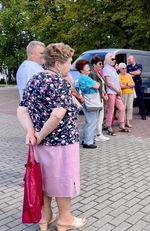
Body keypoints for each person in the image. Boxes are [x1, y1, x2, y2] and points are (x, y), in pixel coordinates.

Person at [17, 43, 87, 231]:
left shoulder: (33, 80)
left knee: (44, 179)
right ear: (57, 64)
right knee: (63, 179)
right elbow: (57, 115)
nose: (70, 66)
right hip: (63, 142)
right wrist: (37, 134)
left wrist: (31, 133)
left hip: (40, 144)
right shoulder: (61, 83)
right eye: (69, 62)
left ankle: (45, 217)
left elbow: (21, 109)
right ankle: (65, 219)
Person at [77, 59, 101, 148]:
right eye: (86, 67)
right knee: (92, 121)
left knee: (89, 121)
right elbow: (96, 85)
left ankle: (86, 139)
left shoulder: (81, 77)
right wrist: (96, 84)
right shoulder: (85, 78)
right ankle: (88, 142)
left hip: (87, 102)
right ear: (81, 69)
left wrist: (96, 84)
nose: (88, 68)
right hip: (91, 102)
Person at [103, 53, 128, 135]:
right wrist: (117, 90)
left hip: (116, 92)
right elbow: (108, 83)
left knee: (122, 108)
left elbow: (116, 81)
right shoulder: (106, 69)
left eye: (114, 59)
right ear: (107, 60)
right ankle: (109, 127)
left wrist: (119, 90)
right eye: (112, 59)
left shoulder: (112, 69)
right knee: (111, 110)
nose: (114, 61)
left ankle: (122, 126)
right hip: (111, 92)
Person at [88, 56, 109, 141]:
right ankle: (98, 134)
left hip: (101, 97)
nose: (101, 65)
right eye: (99, 63)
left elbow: (102, 85)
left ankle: (98, 133)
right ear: (94, 64)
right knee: (99, 116)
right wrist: (103, 94)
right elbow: (95, 86)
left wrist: (104, 93)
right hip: (97, 98)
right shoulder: (92, 74)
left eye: (101, 63)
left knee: (101, 115)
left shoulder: (98, 73)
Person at [127, 55, 147, 120]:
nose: (128, 61)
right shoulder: (128, 67)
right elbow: (127, 75)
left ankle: (143, 114)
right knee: (128, 99)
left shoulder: (139, 66)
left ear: (133, 59)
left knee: (140, 99)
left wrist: (131, 73)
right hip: (130, 84)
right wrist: (134, 73)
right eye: (128, 60)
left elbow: (138, 73)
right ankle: (127, 116)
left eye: (129, 59)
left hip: (137, 84)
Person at [119, 62, 135, 128]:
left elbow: (133, 84)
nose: (125, 70)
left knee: (130, 107)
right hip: (123, 93)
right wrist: (129, 85)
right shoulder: (119, 76)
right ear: (120, 69)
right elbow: (120, 86)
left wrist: (126, 84)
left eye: (125, 68)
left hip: (130, 93)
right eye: (123, 68)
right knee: (123, 107)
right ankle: (123, 121)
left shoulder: (129, 75)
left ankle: (128, 121)